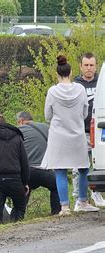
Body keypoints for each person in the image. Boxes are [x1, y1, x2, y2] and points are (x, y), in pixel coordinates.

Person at [41, 55, 99, 215]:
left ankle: (64, 207)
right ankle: (82, 201)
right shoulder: (80, 89)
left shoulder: (52, 91)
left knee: (60, 171)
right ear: (71, 71)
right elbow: (85, 111)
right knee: (83, 169)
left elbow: (47, 116)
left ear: (57, 73)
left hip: (58, 136)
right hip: (77, 134)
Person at [73, 52, 105, 207]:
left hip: (99, 131)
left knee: (99, 164)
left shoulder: (101, 83)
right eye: (86, 65)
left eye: (92, 65)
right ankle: (79, 198)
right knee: (78, 166)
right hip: (81, 131)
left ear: (96, 66)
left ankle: (96, 193)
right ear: (80, 66)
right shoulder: (75, 85)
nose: (89, 68)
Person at [16, 111, 61, 215]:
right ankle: (56, 213)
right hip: (45, 169)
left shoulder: (18, 130)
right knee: (57, 186)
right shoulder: (46, 127)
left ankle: (17, 218)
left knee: (23, 191)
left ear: (21, 121)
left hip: (27, 171)